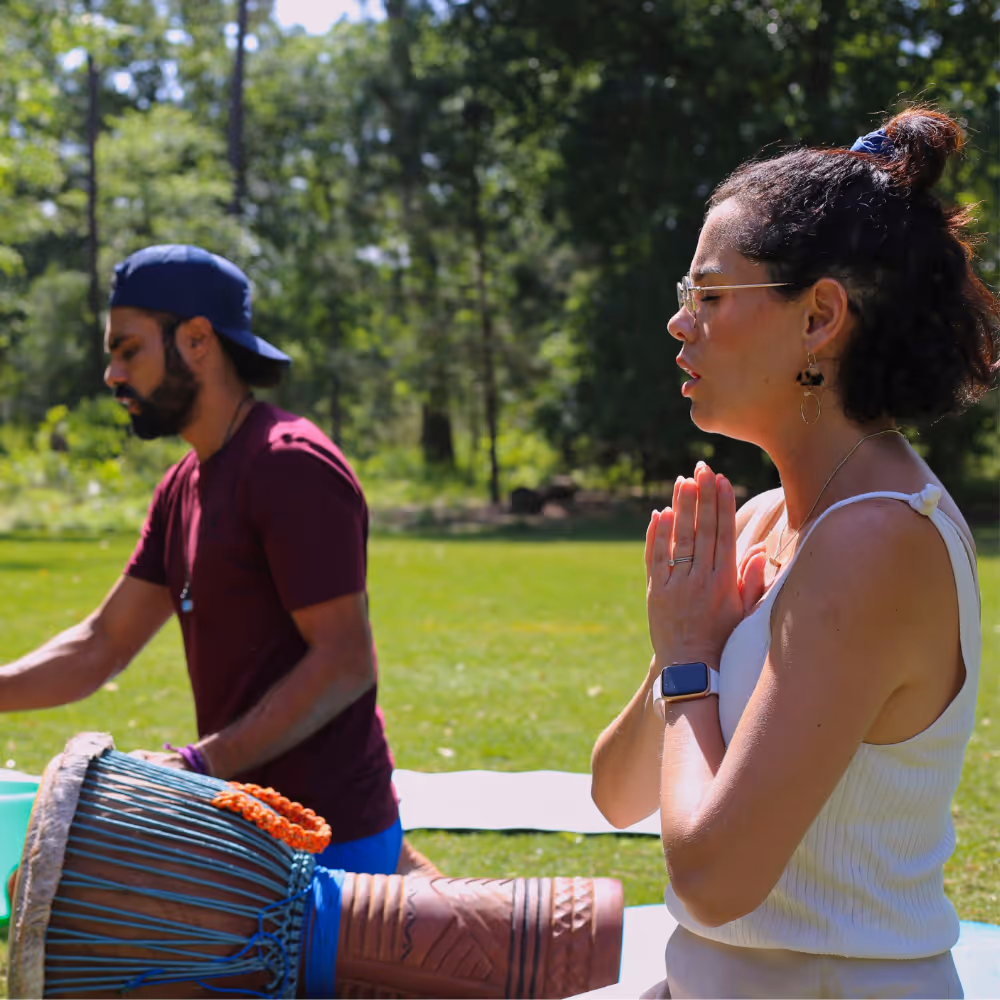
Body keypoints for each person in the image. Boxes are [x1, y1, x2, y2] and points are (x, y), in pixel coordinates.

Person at [590, 109, 999, 999]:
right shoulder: (772, 518)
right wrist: (676, 649)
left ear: (818, 317)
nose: (677, 324)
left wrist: (694, 662)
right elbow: (615, 794)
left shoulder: (879, 539)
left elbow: (711, 879)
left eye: (707, 295)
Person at [0, 244, 402, 876]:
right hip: (249, 831)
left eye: (128, 350)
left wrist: (200, 764)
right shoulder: (184, 482)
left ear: (195, 341)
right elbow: (101, 644)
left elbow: (345, 662)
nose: (111, 374)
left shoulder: (288, 464)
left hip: (329, 843)